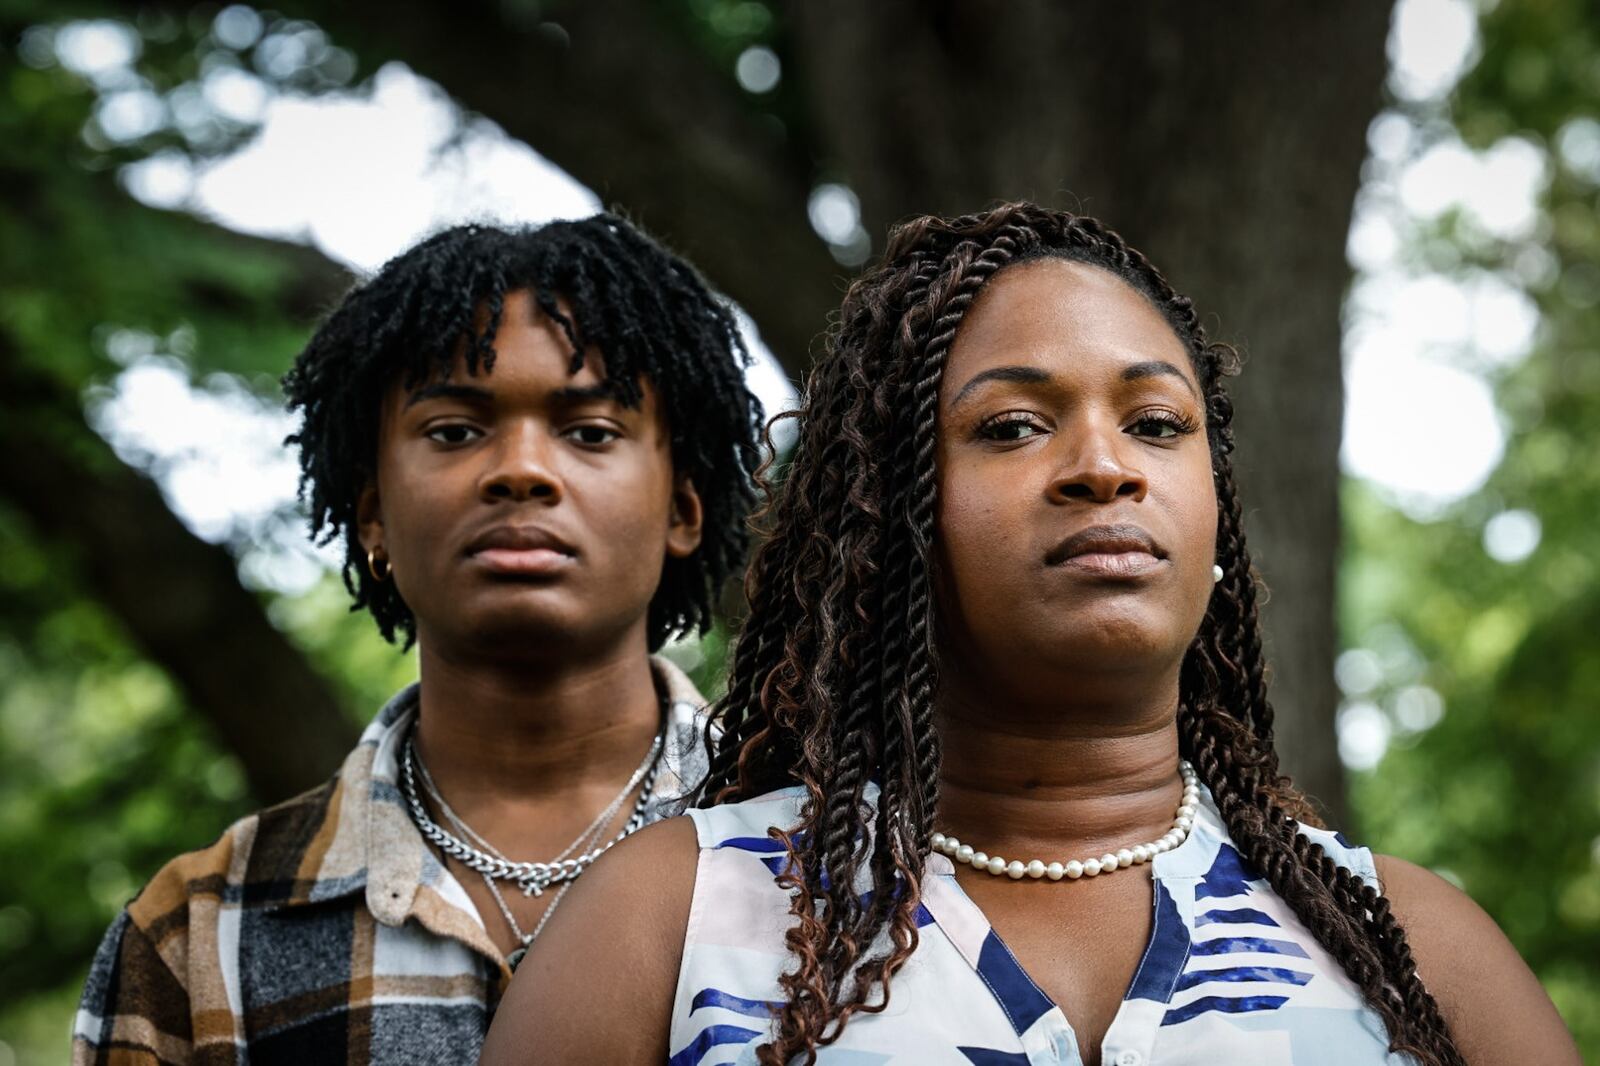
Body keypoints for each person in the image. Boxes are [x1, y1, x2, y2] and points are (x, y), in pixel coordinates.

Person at [481, 203, 1581, 1066]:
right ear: (888, 520)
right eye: (1009, 426)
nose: (1107, 466)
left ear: (1215, 518)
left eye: (1156, 424)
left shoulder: (1414, 946)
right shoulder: (665, 922)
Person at [72, 214, 763, 1064]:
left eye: (590, 432)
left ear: (683, 512)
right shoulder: (194, 935)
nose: (521, 468)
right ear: (373, 516)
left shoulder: (853, 867)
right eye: (453, 431)